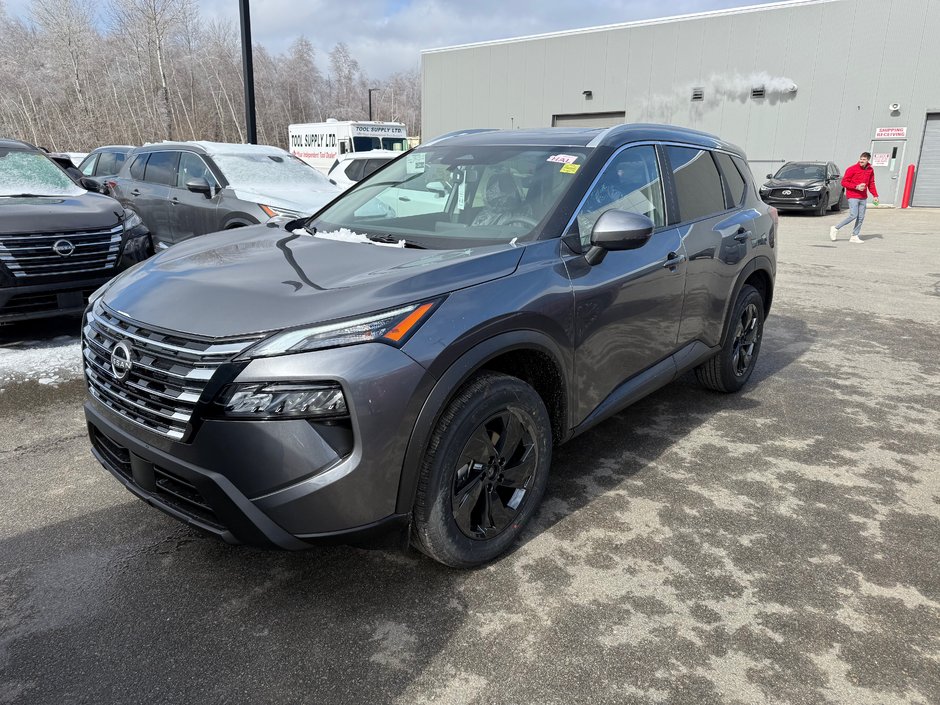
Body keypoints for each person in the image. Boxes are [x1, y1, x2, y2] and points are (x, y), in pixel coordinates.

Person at [830, 152, 879, 243]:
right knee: (853, 215)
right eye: (861, 159)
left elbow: (871, 183)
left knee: (861, 217)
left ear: (868, 160)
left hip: (863, 197)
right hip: (853, 196)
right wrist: (856, 186)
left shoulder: (870, 170)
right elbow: (844, 182)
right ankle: (836, 228)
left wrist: (875, 195)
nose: (861, 161)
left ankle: (854, 236)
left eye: (864, 159)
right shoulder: (852, 169)